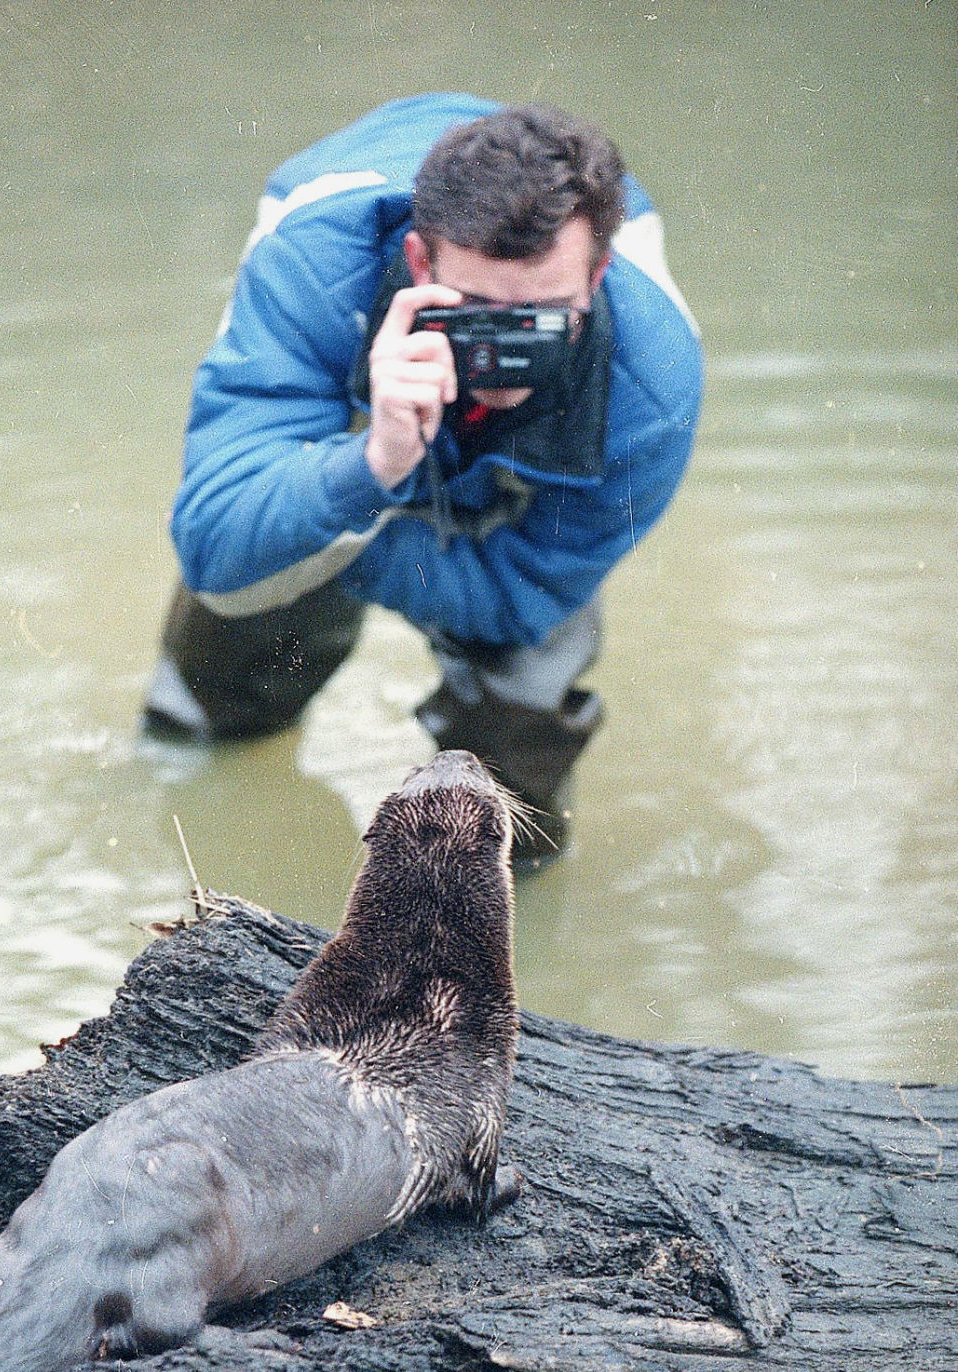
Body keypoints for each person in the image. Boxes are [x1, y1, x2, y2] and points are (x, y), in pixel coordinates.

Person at [142, 94, 702, 863]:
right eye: (471, 314)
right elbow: (215, 550)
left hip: (509, 519)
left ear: (597, 277)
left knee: (512, 810)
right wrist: (371, 467)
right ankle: (197, 801)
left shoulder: (652, 372)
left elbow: (528, 595)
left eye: (538, 320)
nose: (501, 355)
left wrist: (359, 539)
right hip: (357, 411)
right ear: (419, 261)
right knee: (224, 671)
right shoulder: (312, 274)